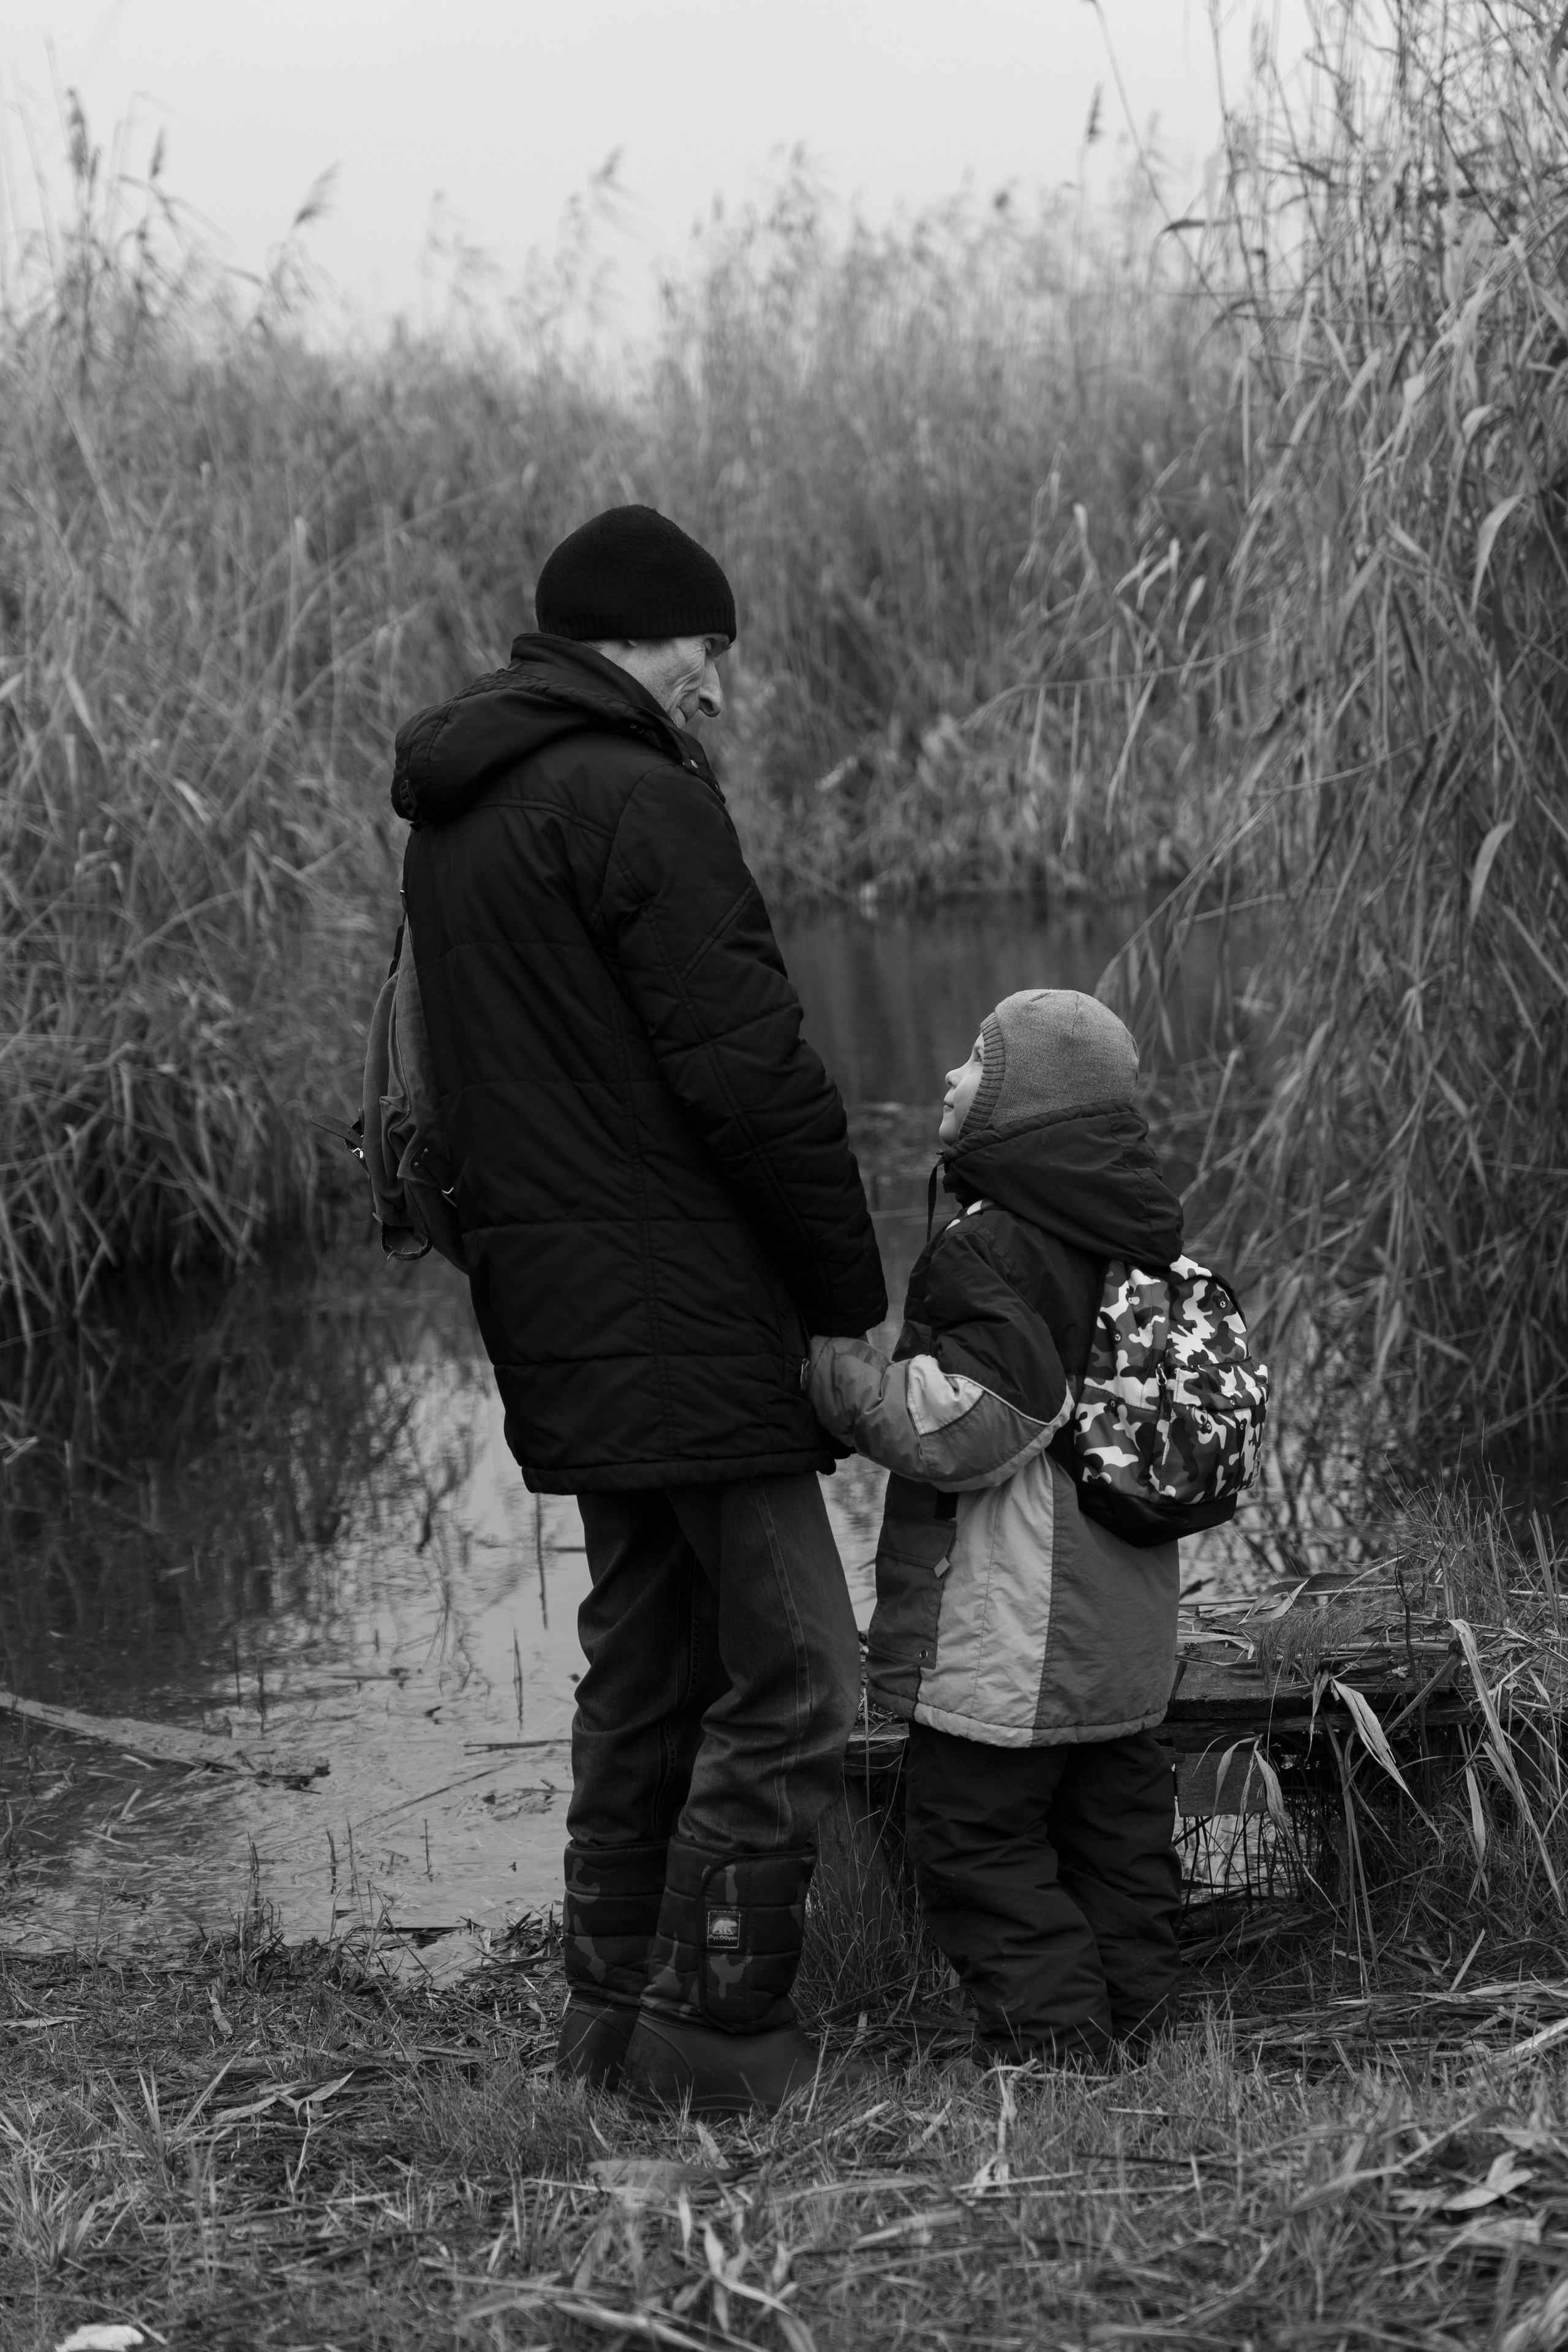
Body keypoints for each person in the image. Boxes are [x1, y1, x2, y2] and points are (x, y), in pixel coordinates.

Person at [391, 505, 886, 2111]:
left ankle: (607, 2024)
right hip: (682, 1299)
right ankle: (715, 2045)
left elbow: (450, 1098)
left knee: (648, 1659)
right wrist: (844, 1292)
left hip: (560, 1303)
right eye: (706, 651)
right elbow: (748, 1072)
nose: (721, 689)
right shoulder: (633, 794)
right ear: (627, 636)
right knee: (807, 1668)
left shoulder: (463, 810)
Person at [807, 989, 1183, 2065]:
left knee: (975, 1845)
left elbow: (976, 1423)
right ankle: (1142, 2038)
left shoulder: (998, 1248)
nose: (947, 1080)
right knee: (1116, 1846)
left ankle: (1059, 2050)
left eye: (975, 1064)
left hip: (1013, 1642)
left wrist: (847, 1385)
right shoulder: (1140, 1237)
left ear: (1026, 1117)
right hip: (1124, 1639)